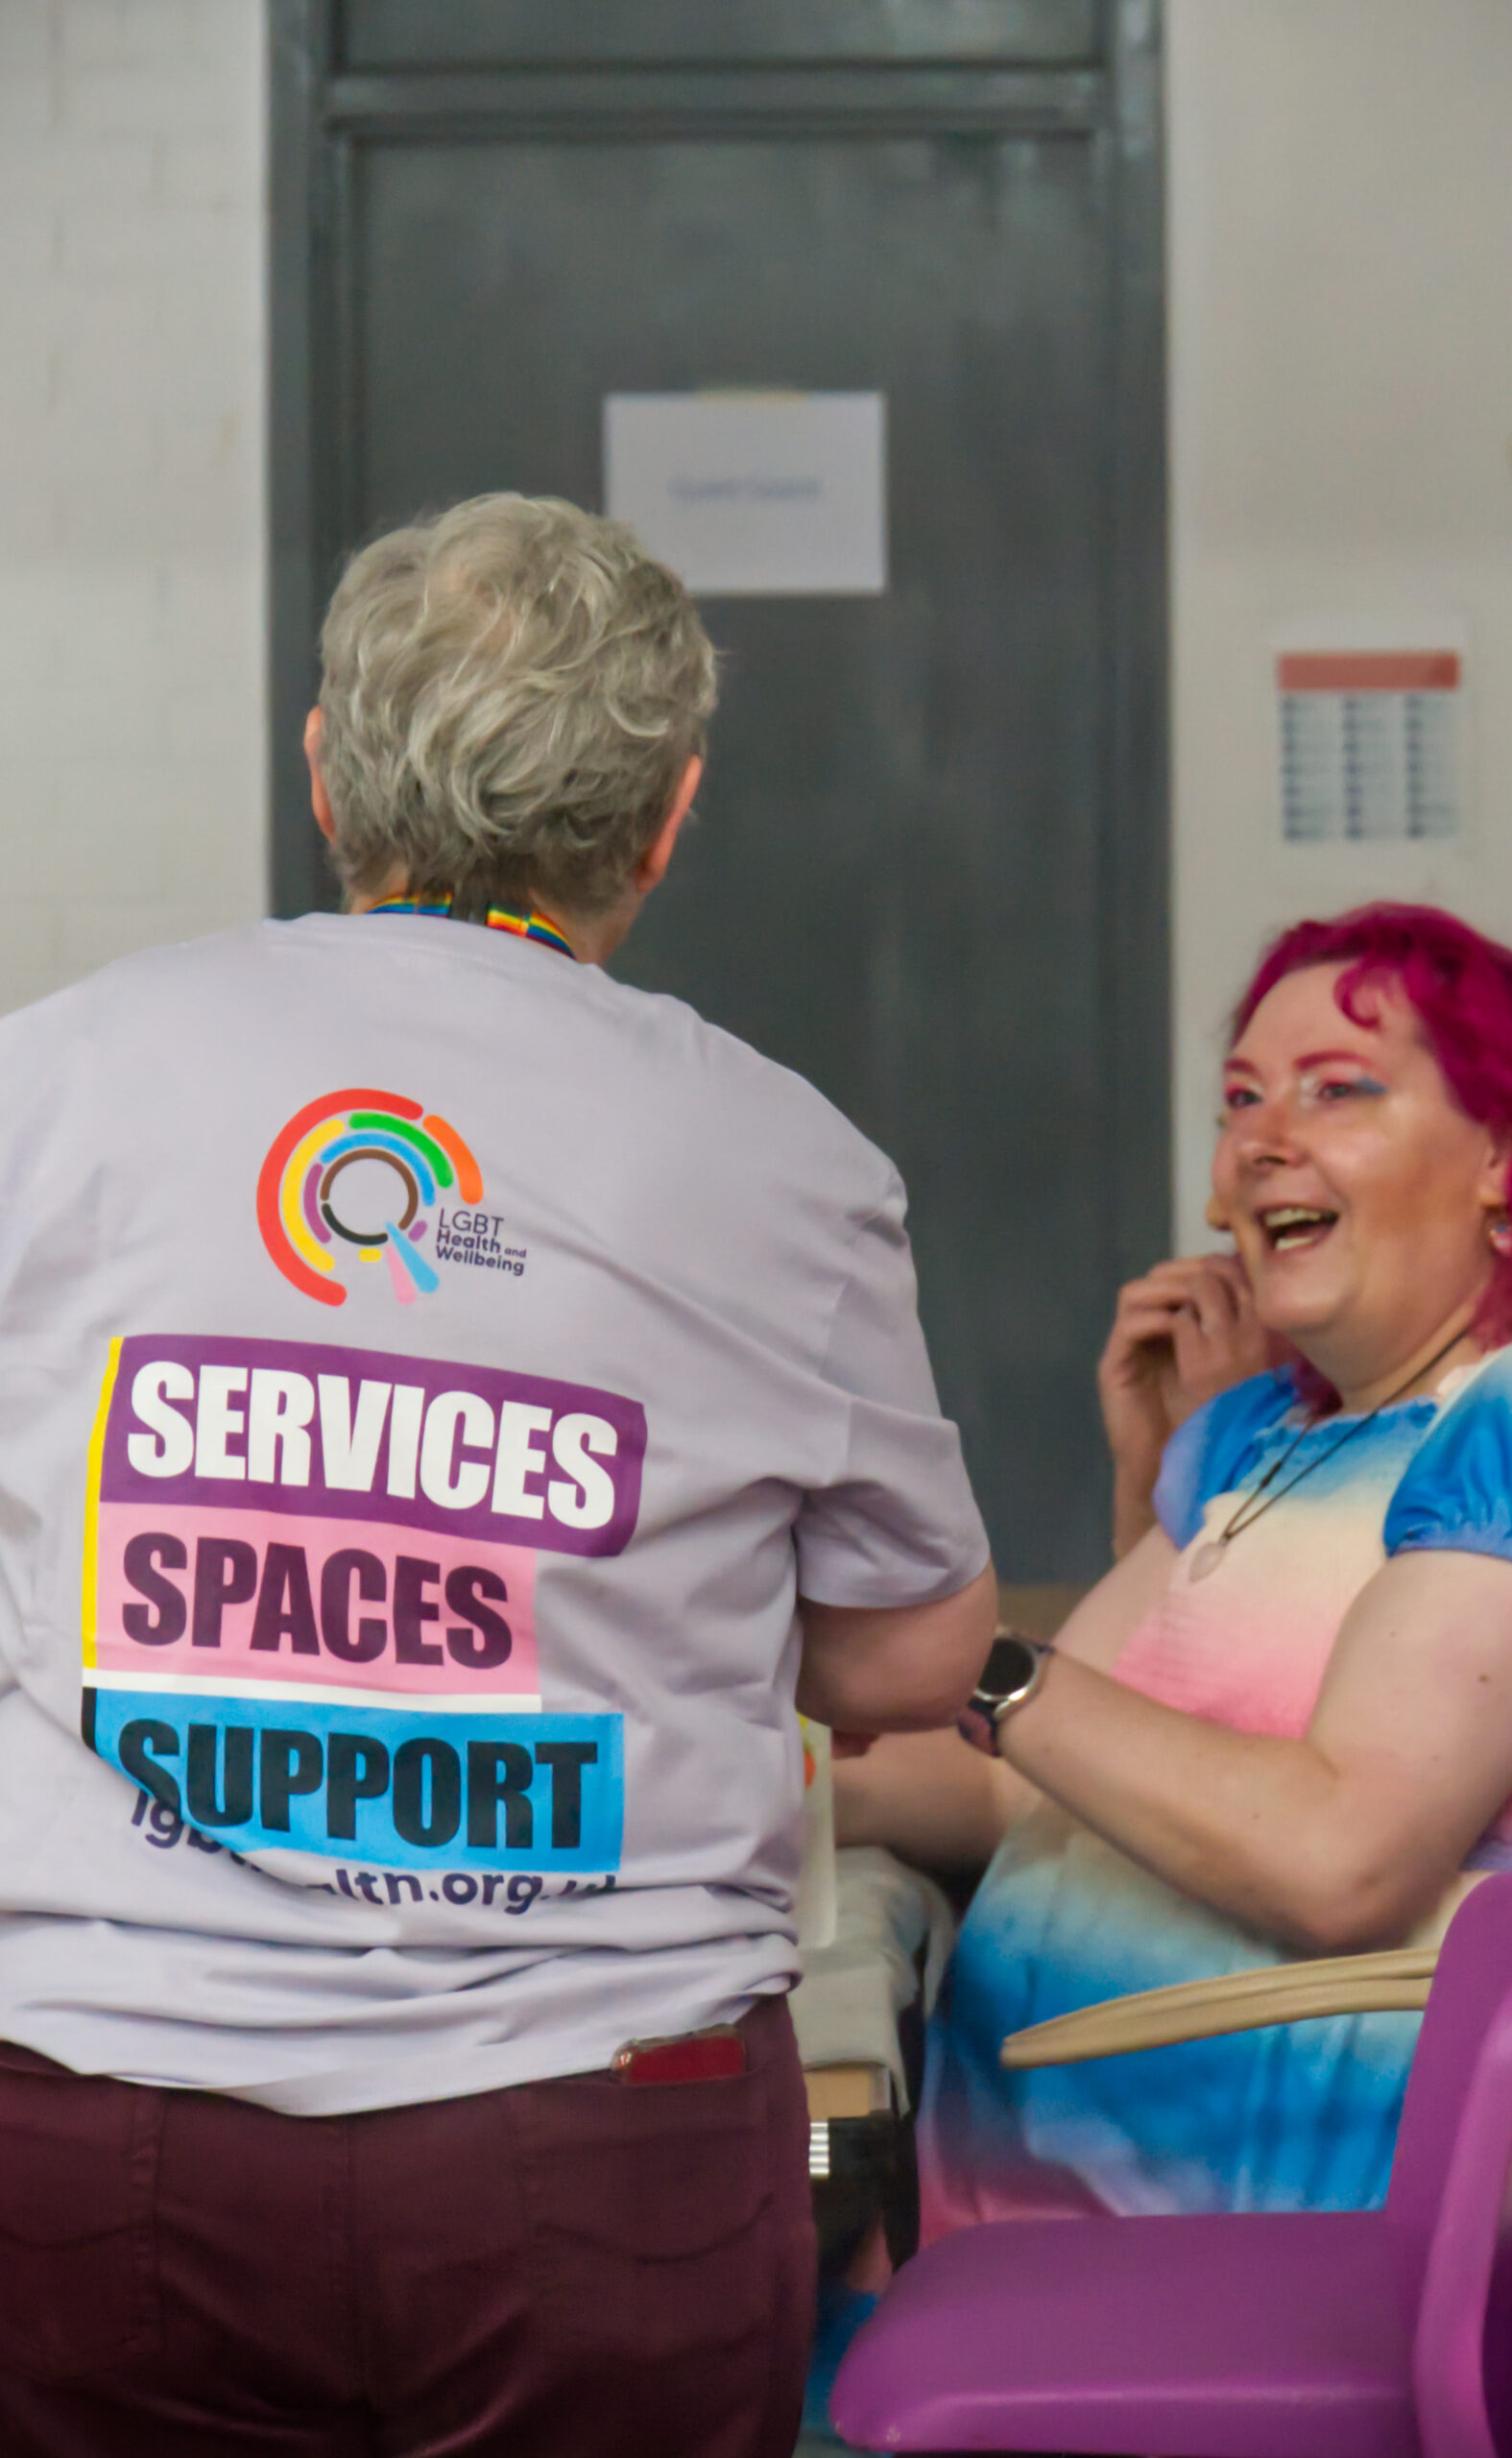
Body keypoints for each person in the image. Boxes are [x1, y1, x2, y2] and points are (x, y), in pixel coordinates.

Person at [0, 493, 996, 2456]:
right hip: (594, 2144)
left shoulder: (54, 1075)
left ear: (323, 769)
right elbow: (901, 1663)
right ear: (666, 813)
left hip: (105, 2121)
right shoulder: (786, 1158)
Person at [838, 902, 1512, 2226]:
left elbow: (1340, 1854)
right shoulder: (1266, 1434)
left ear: (1501, 1153)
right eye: (1239, 1099)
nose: (1262, 1140)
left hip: (1298, 2263)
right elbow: (1022, 1793)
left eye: (1338, 1092)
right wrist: (743, 1773)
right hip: (1047, 2228)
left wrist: (973, 1666)